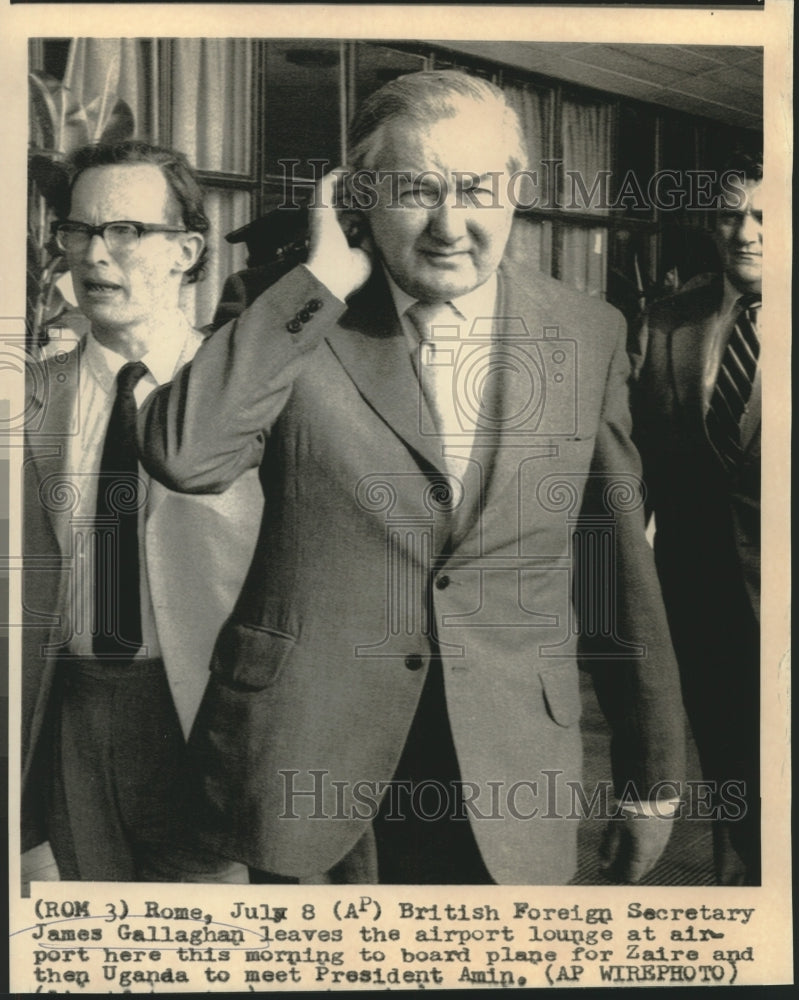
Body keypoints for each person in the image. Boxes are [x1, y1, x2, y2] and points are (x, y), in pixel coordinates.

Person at [139, 72, 684, 885]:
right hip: (307, 760)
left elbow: (613, 571)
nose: (449, 225)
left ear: (518, 190)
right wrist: (321, 281)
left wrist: (651, 782)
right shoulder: (289, 308)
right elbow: (187, 454)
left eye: (475, 189)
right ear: (356, 196)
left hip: (506, 772)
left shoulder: (586, 331)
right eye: (415, 190)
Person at [22, 140, 261, 881]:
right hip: (75, 711)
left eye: (124, 231)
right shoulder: (29, 397)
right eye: (79, 231)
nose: (95, 256)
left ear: (187, 250)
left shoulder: (248, 393)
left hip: (208, 719)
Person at [629, 153, 763, 885]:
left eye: (767, 217)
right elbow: (636, 476)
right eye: (730, 214)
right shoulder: (666, 321)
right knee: (730, 773)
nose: (744, 233)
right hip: (702, 609)